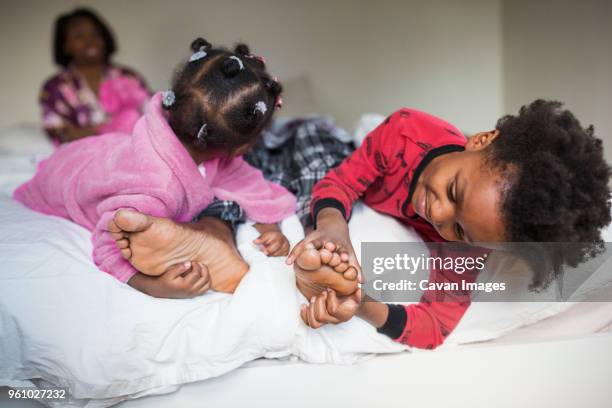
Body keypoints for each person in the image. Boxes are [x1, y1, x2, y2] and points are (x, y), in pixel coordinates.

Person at [291, 100, 611, 349]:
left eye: (459, 230)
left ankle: (317, 267)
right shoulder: (408, 132)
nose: (439, 213)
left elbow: (433, 327)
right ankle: (315, 242)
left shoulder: (467, 247)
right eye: (454, 191)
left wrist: (362, 304)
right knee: (313, 157)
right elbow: (342, 182)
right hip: (355, 149)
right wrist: (334, 227)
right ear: (480, 140)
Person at [15, 39, 295, 298]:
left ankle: (188, 236)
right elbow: (109, 243)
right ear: (241, 146)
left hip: (105, 149)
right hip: (65, 176)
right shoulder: (156, 186)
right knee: (132, 221)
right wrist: (155, 286)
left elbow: (252, 187)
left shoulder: (212, 155)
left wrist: (269, 228)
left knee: (133, 188)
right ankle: (173, 238)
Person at [40, 8, 149, 143]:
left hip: (132, 150)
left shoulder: (127, 76)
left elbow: (152, 114)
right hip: (83, 156)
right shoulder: (55, 87)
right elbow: (58, 132)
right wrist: (108, 129)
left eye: (95, 34)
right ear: (65, 46)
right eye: (79, 36)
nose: (90, 40)